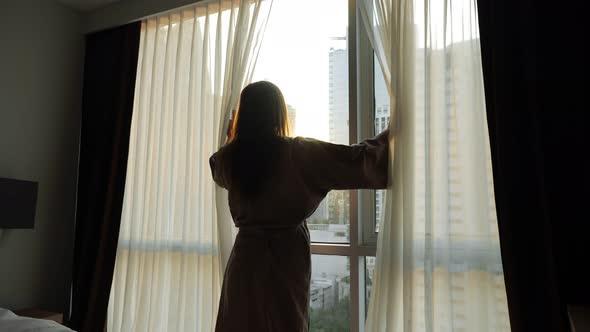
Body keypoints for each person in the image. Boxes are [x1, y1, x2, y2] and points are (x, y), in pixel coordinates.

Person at [209, 81, 389, 332]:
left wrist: (232, 136)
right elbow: (356, 161)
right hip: (284, 262)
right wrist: (393, 134)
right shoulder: (298, 153)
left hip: (245, 261)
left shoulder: (229, 159)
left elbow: (216, 164)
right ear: (278, 112)